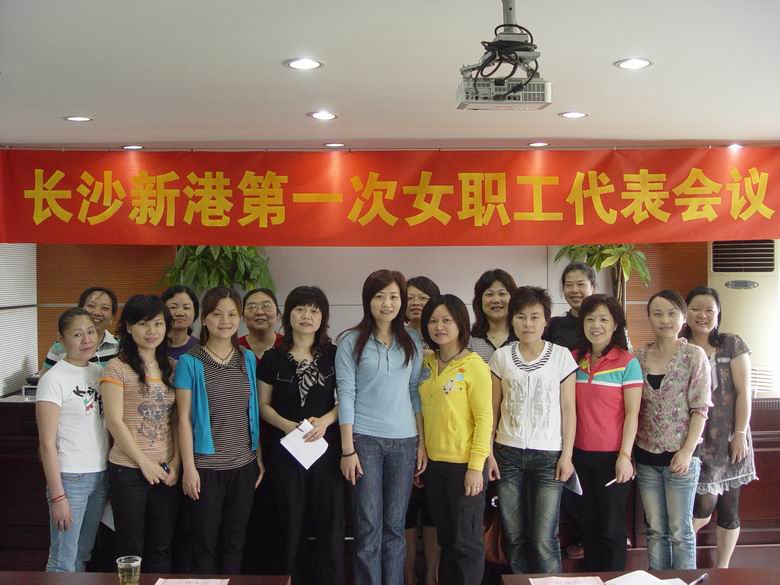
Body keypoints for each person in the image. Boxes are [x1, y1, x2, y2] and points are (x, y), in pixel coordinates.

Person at [336, 269, 425, 585]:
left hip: (405, 441)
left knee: (395, 528)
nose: (387, 303)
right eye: (379, 296)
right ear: (367, 300)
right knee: (368, 527)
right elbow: (346, 393)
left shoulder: (413, 340)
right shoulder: (350, 341)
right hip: (365, 441)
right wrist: (347, 449)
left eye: (393, 296)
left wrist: (421, 443)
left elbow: (415, 392)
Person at [174, 287, 265, 574]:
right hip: (206, 470)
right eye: (217, 314)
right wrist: (189, 468)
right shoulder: (190, 361)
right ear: (204, 318)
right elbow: (183, 419)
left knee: (235, 543)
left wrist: (258, 458)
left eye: (232, 314)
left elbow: (252, 413)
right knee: (204, 545)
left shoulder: (246, 358)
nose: (225, 321)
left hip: (244, 466)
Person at [258, 286, 344, 585]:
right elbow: (262, 405)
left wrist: (326, 420)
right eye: (300, 309)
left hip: (326, 450)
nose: (307, 316)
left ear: (323, 318)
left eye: (314, 311)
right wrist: (286, 425)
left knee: (329, 522)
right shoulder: (272, 358)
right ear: (288, 315)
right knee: (290, 521)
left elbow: (347, 399)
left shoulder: (334, 355)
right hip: (285, 452)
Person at [488, 286, 577, 574]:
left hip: (549, 455)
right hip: (507, 454)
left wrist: (567, 456)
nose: (528, 323)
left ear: (546, 321)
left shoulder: (561, 356)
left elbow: (569, 410)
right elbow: (492, 409)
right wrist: (489, 453)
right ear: (512, 320)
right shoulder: (501, 357)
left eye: (535, 317)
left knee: (544, 538)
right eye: (521, 316)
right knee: (514, 536)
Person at [634, 289, 712, 570]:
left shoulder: (694, 355)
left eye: (671, 313)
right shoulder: (638, 357)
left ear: (683, 317)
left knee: (681, 531)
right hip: (646, 458)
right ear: (649, 318)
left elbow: (700, 408)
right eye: (657, 314)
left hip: (681, 459)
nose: (664, 320)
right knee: (656, 529)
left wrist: (687, 451)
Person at [419, 294, 492, 585]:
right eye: (433, 321)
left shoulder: (475, 365)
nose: (439, 327)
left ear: (461, 323)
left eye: (446, 320)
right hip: (435, 466)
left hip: (465, 467)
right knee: (447, 540)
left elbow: (484, 420)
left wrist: (476, 467)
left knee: (467, 543)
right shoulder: (426, 364)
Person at [101, 295, 179, 572]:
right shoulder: (117, 367)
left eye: (158, 324)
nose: (152, 331)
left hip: (166, 470)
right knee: (130, 547)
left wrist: (176, 463)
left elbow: (178, 420)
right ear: (128, 327)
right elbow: (114, 422)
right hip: (129, 469)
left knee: (162, 546)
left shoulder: (172, 366)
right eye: (144, 324)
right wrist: (143, 462)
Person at [683, 286, 757, 568]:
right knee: (703, 504)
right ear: (685, 313)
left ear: (718, 314)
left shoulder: (731, 344)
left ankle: (722, 569)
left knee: (729, 509)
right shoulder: (681, 346)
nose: (702, 315)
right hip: (695, 439)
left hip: (729, 437)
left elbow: (744, 392)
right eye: (695, 309)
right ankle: (681, 559)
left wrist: (739, 434)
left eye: (709, 310)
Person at [571, 294, 643, 571]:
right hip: (579, 456)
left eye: (603, 319)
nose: (596, 325)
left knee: (612, 529)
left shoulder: (627, 362)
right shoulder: (574, 359)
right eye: (590, 319)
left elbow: (632, 414)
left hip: (613, 458)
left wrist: (625, 456)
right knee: (588, 526)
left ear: (615, 324)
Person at [36, 308, 109, 572]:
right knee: (63, 559)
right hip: (70, 478)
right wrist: (58, 496)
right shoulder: (53, 379)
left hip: (100, 474)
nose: (86, 340)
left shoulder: (99, 372)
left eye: (91, 332)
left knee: (83, 553)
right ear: (62, 340)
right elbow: (46, 444)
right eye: (77, 335)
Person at [543, 262, 596, 561]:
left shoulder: (605, 319)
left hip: (595, 409)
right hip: (562, 410)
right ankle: (578, 536)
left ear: (593, 287)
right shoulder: (555, 326)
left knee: (591, 476)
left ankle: (595, 537)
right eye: (569, 284)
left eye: (581, 284)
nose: (575, 290)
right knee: (566, 475)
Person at [404, 276, 441, 585]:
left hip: (439, 436)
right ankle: (407, 576)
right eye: (410, 298)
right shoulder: (395, 337)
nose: (416, 303)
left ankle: (432, 576)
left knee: (432, 511)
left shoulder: (444, 337)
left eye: (423, 298)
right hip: (402, 433)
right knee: (404, 511)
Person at [41, 287, 120, 371]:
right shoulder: (60, 346)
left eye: (105, 308)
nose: (97, 312)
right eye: (91, 306)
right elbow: (46, 376)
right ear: (80, 311)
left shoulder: (121, 347)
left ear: (112, 318)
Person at [468, 269, 518, 363]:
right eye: (489, 294)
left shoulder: (524, 336)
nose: (496, 300)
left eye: (502, 294)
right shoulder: (468, 339)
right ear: (479, 301)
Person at [239, 287, 283, 365]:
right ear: (243, 317)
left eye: (267, 306)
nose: (259, 312)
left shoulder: (290, 346)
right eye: (252, 307)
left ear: (278, 315)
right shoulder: (234, 347)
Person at [162, 285, 200, 360]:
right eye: (173, 307)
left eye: (186, 308)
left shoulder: (202, 348)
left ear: (195, 312)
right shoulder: (152, 346)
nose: (180, 313)